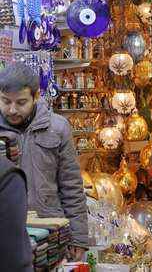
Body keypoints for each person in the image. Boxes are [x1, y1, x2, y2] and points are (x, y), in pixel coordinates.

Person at [0, 63, 88, 259]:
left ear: (36, 96)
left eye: (21, 102)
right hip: (5, 235)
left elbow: (72, 187)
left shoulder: (57, 128)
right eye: (6, 101)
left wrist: (78, 238)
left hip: (50, 234)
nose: (12, 109)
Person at [0, 139, 33, 271]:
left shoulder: (58, 128)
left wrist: (78, 238)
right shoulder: (7, 175)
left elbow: (70, 183)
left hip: (48, 213)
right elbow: (13, 257)